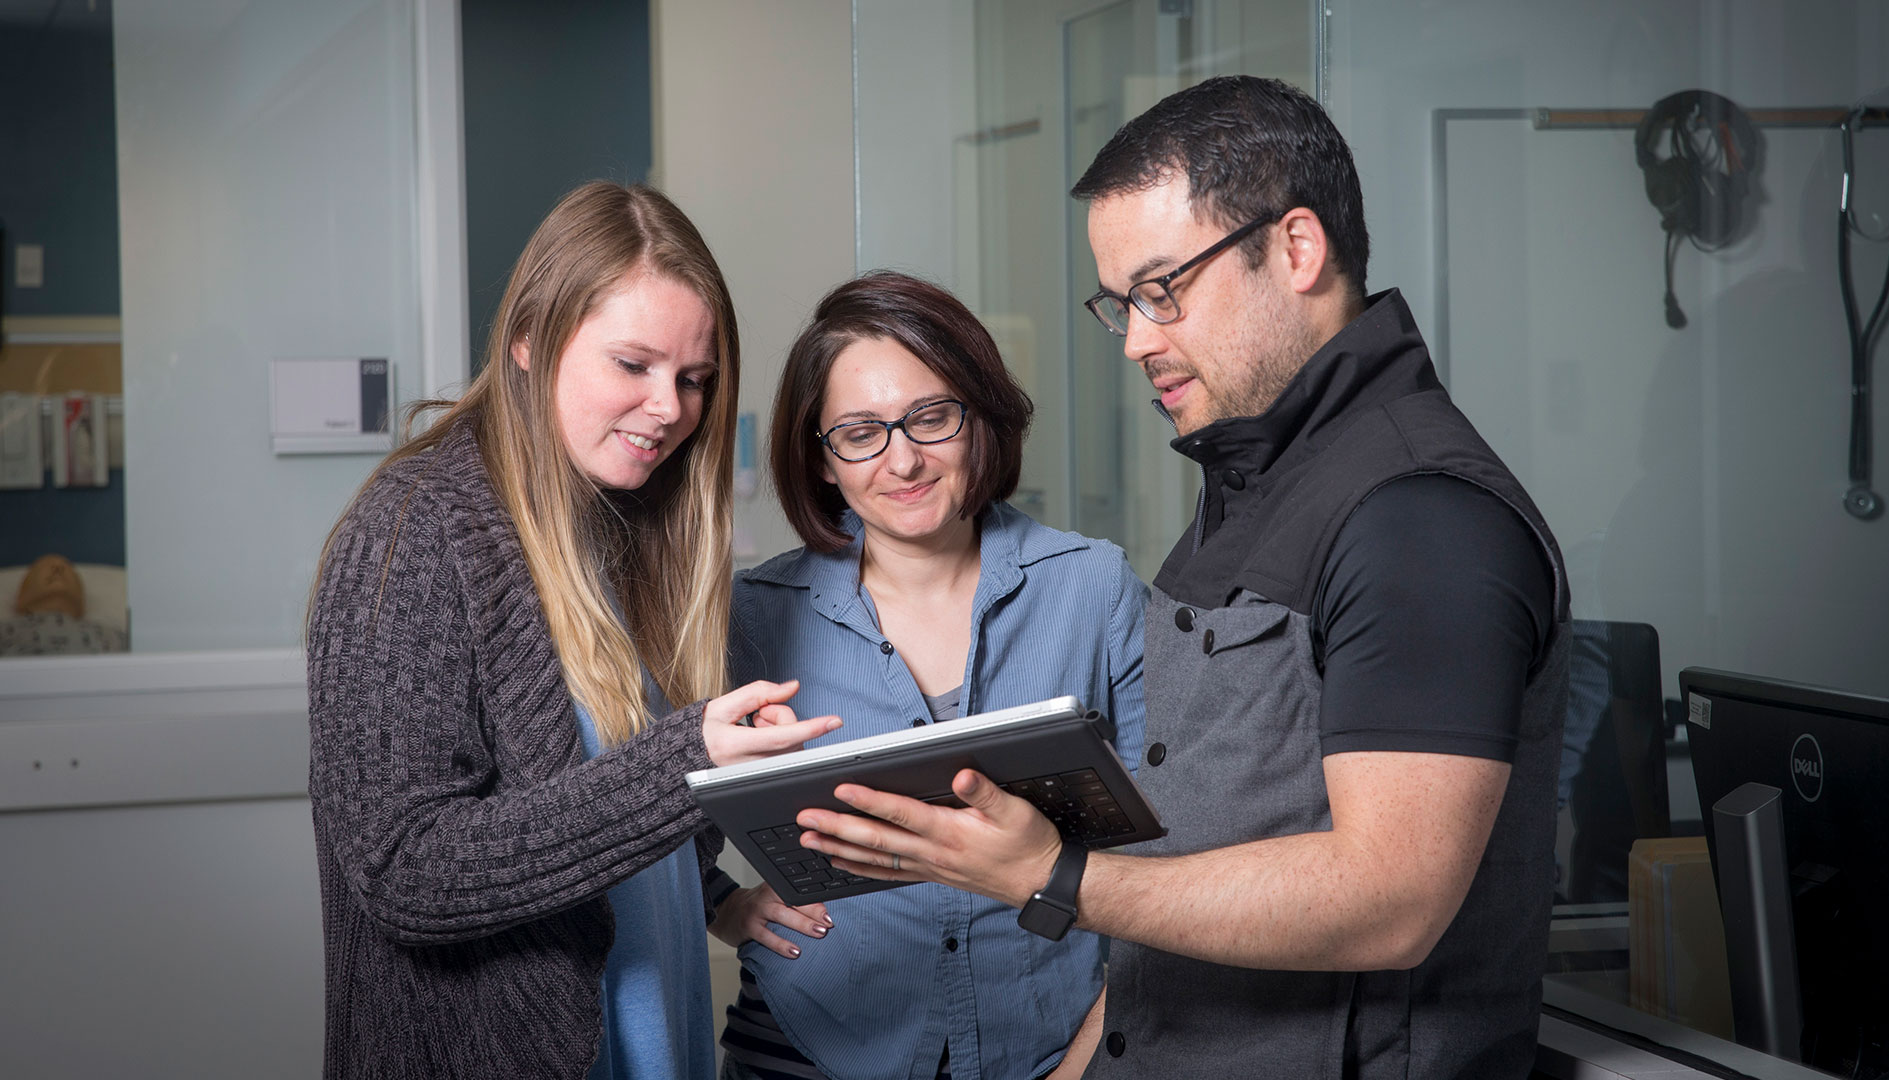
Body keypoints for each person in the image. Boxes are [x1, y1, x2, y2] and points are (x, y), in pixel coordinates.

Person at [794, 76, 1571, 1080]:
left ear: (1296, 249)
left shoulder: (1419, 515)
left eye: (1163, 290)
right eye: (1119, 303)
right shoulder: (1255, 480)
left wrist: (1052, 873)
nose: (1135, 339)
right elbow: (1196, 868)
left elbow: (1391, 898)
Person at [306, 181, 841, 1080]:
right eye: (632, 366)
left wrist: (711, 896)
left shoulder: (621, 522)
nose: (669, 407)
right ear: (529, 338)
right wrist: (682, 766)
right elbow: (403, 869)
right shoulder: (413, 535)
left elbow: (588, 805)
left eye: (694, 378)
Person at [706, 270, 1147, 1080]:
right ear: (824, 458)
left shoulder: (1093, 588)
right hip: (807, 1047)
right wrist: (725, 906)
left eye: (931, 417)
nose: (902, 459)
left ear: (981, 418)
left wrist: (1083, 1067)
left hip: (1049, 1049)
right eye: (860, 432)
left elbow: (1172, 859)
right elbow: (656, 823)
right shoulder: (755, 617)